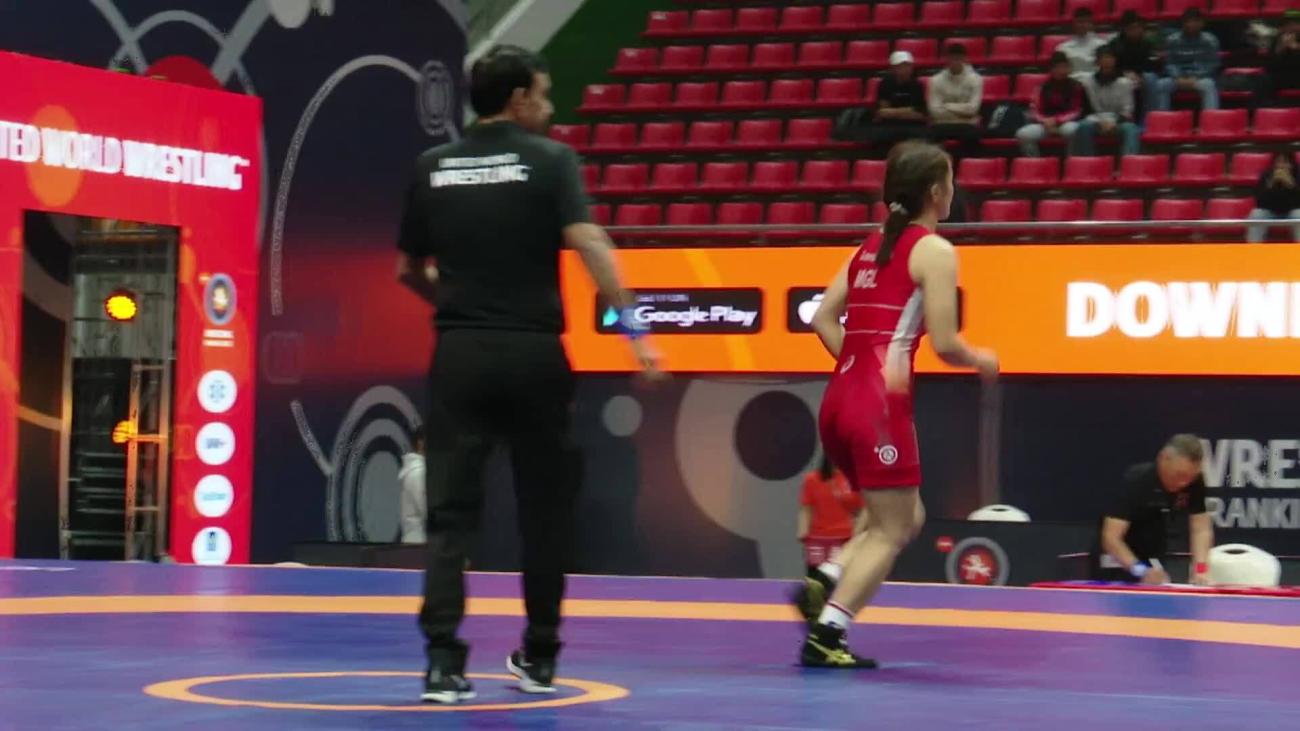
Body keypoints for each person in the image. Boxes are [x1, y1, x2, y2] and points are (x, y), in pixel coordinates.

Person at [396, 45, 662, 704]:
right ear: (517, 99)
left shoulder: (432, 166)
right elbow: (591, 241)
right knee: (544, 511)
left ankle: (441, 665)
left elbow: (407, 269)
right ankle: (540, 657)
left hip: (460, 354)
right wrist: (636, 335)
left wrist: (457, 308)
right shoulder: (551, 160)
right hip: (534, 354)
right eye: (543, 94)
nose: (550, 106)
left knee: (449, 516)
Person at [792, 141, 999, 668]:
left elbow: (821, 318)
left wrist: (857, 367)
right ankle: (829, 632)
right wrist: (981, 360)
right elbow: (946, 343)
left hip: (840, 399)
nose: (954, 189)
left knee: (907, 515)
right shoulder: (934, 251)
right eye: (950, 180)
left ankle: (829, 576)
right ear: (936, 191)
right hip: (878, 407)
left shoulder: (869, 245)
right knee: (891, 529)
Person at [1092, 435, 1215, 586]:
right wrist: (1140, 571)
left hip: (1152, 551)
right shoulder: (1137, 480)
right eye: (1180, 475)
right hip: (1115, 559)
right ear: (1163, 459)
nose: (1184, 483)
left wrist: (1200, 570)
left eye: (1191, 478)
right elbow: (1111, 538)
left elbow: (1201, 529)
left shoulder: (1193, 482)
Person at [798, 453, 867, 574]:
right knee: (817, 581)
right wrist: (803, 532)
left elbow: (864, 509)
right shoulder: (811, 479)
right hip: (817, 540)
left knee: (842, 578)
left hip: (845, 539)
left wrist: (857, 534)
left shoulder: (854, 480)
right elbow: (806, 508)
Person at [1074, 46, 1140, 156]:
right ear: (1097, 61)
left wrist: (1113, 122)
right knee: (1083, 126)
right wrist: (1101, 122)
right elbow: (1087, 110)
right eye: (1104, 57)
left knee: (1131, 129)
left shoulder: (1125, 83)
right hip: (1096, 121)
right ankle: (1089, 161)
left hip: (1118, 121)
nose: (1107, 61)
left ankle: (1128, 162)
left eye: (1110, 57)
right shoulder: (1088, 83)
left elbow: (1128, 110)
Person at [1016, 52, 1084, 156]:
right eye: (1058, 67)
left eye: (1064, 67)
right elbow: (1034, 110)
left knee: (1072, 130)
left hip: (1067, 123)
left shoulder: (1076, 87)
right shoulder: (1041, 88)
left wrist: (1057, 120)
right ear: (1051, 69)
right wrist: (1045, 121)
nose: (1061, 70)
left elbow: (1077, 111)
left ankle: (1071, 160)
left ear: (1069, 69)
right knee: (1023, 134)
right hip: (1046, 124)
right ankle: (1035, 162)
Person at [926, 43, 984, 159]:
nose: (955, 62)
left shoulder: (976, 79)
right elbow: (934, 111)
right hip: (941, 124)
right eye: (952, 58)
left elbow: (973, 109)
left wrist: (947, 105)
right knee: (928, 135)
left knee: (973, 135)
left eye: (958, 58)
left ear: (964, 59)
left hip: (967, 124)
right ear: (947, 59)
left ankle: (966, 165)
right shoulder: (936, 80)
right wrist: (964, 111)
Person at [1156, 8, 1220, 111]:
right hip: (1178, 78)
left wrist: (1195, 77)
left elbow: (1212, 64)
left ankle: (1211, 119)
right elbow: (1169, 63)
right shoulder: (1172, 40)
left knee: (1209, 85)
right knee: (1161, 84)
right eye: (1187, 21)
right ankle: (1162, 119)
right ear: (1182, 23)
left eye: (1195, 21)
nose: (1190, 24)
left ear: (1201, 23)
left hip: (1200, 78)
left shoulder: (1210, 40)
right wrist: (1178, 77)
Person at [867, 51, 929, 149]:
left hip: (912, 125)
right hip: (891, 124)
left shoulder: (917, 85)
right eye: (901, 66)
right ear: (893, 68)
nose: (905, 69)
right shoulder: (885, 83)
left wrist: (894, 112)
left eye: (907, 65)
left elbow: (919, 114)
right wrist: (907, 111)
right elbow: (884, 112)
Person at [1107, 10, 1162, 120]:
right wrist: (1125, 73)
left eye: (1138, 27)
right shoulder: (1115, 44)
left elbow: (1154, 65)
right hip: (1122, 75)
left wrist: (1140, 75)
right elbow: (1111, 67)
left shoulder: (1148, 43)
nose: (1136, 31)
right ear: (1124, 29)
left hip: (1143, 75)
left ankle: (1150, 119)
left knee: (1150, 78)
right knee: (1124, 82)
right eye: (1132, 28)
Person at [1247, 152, 1300, 243]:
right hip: (1270, 212)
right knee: (1256, 214)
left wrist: (1291, 184)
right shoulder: (1266, 175)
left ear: (1291, 164)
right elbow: (1259, 201)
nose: (1281, 166)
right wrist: (1270, 185)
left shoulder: (1298, 175)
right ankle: (1253, 248)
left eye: (1285, 162)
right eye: (1279, 162)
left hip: (1292, 211)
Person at [1057, 8, 1112, 79]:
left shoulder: (1101, 45)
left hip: (1096, 82)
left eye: (1087, 22)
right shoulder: (1063, 48)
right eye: (1080, 22)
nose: (1083, 25)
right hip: (1072, 83)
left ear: (1091, 24)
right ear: (1074, 23)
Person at [1264, 10, 1300, 102]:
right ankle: (1260, 109)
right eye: (1288, 24)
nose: (1291, 28)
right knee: (1264, 80)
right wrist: (1280, 50)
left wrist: (1295, 47)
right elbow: (1269, 67)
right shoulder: (1278, 40)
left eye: (1295, 24)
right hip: (1283, 77)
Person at [399, 426, 427, 544]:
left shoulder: (416, 470)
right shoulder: (418, 472)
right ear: (421, 443)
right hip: (418, 542)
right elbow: (425, 510)